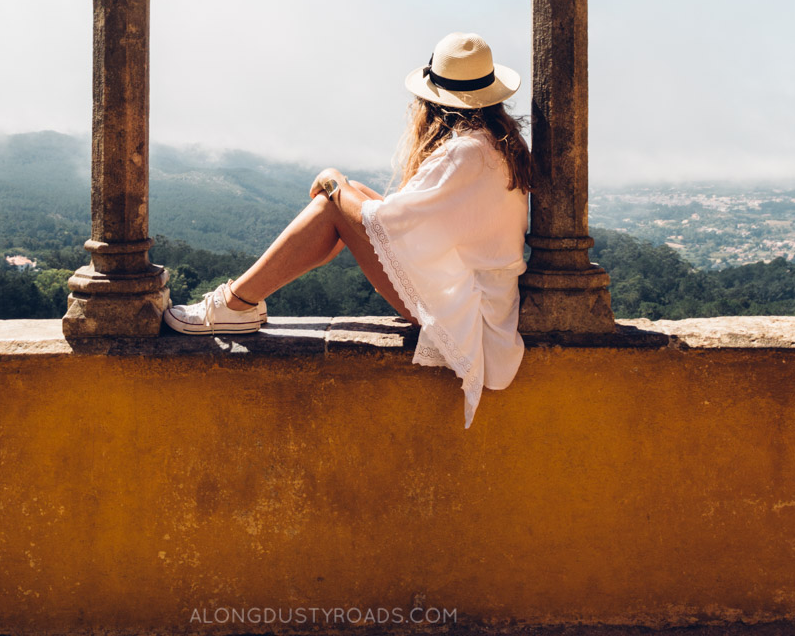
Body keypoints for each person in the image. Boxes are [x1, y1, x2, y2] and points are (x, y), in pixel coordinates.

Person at [163, 32, 531, 426]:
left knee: (332, 206)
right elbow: (409, 217)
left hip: (467, 313)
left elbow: (386, 221)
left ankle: (234, 305)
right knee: (349, 197)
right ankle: (241, 302)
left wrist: (334, 180)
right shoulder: (494, 144)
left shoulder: (464, 151)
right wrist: (346, 190)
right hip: (485, 300)